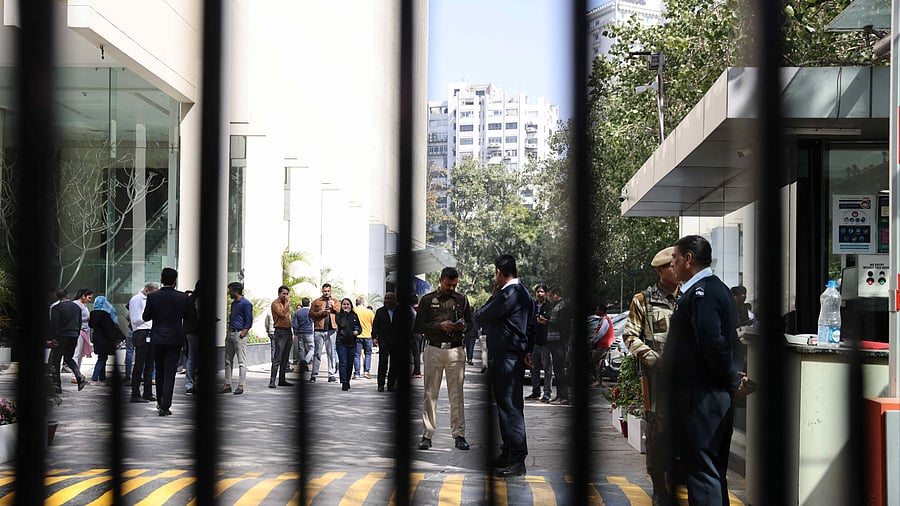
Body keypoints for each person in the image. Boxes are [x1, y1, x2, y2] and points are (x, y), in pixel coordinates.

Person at [668, 235, 752, 505]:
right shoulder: (715, 289)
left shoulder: (702, 292)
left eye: (675, 259)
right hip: (708, 395)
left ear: (688, 259)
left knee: (703, 473)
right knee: (710, 473)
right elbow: (732, 343)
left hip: (702, 398)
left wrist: (731, 378)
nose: (673, 265)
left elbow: (711, 342)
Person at [622, 245, 678, 504]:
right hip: (656, 378)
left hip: (686, 375)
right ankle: (659, 487)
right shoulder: (643, 300)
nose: (676, 269)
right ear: (660, 270)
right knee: (657, 431)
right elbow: (630, 336)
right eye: (671, 265)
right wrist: (655, 359)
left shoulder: (688, 296)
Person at [474, 255, 535, 478]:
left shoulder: (509, 294)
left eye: (495, 274)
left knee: (510, 408)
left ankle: (517, 457)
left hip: (507, 358)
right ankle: (508, 452)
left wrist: (494, 294)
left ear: (499, 271)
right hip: (512, 355)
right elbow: (531, 327)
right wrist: (528, 351)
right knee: (505, 406)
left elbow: (481, 316)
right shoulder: (525, 293)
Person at [414, 266, 472, 451]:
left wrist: (462, 326)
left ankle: (459, 435)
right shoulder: (428, 300)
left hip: (455, 350)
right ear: (441, 281)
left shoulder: (462, 300)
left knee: (457, 395)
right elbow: (418, 326)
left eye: (454, 285)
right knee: (430, 394)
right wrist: (440, 326)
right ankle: (427, 435)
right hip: (434, 349)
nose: (451, 288)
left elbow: (471, 324)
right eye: (448, 285)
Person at [143, 267, 191, 416]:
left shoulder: (153, 297)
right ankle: (165, 406)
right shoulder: (182, 297)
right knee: (170, 372)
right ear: (175, 281)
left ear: (161, 280)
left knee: (159, 370)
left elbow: (146, 317)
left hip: (157, 338)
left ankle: (159, 401)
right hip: (175, 338)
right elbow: (188, 316)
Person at [49, 289, 87, 392]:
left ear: (57, 297)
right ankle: (78, 375)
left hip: (61, 336)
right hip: (74, 335)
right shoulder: (76, 307)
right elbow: (79, 323)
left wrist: (52, 338)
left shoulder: (56, 308)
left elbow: (54, 324)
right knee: (68, 358)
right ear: (67, 295)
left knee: (55, 361)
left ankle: (57, 386)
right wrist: (76, 333)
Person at [220, 281, 252, 395]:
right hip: (230, 333)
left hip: (239, 334)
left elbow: (249, 319)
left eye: (230, 291)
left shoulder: (246, 304)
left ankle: (241, 385)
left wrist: (243, 333)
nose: (229, 293)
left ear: (236, 291)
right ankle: (227, 384)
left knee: (241, 361)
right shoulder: (233, 304)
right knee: (227, 360)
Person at [372, 292, 407, 392]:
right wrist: (374, 337)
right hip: (384, 341)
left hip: (396, 341)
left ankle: (391, 384)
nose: (387, 301)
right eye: (386, 299)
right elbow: (375, 325)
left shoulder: (400, 311)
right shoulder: (380, 312)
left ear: (394, 300)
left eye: (389, 299)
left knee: (394, 364)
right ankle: (381, 384)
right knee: (383, 363)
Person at [129, 282, 158, 403]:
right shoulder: (136, 299)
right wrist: (148, 316)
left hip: (150, 332)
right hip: (141, 332)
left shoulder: (150, 299)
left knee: (150, 364)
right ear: (146, 290)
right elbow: (135, 320)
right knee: (140, 363)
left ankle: (148, 392)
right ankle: (135, 393)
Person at [545, 287, 572, 405]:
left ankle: (564, 396)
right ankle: (559, 395)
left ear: (557, 294)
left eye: (551, 295)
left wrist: (548, 322)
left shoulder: (563, 306)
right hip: (553, 340)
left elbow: (562, 323)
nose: (550, 298)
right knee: (557, 369)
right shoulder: (556, 306)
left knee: (560, 370)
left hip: (560, 341)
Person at [89, 296, 124, 385]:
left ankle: (102, 378)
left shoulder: (92, 313)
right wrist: (117, 338)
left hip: (97, 338)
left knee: (102, 357)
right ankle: (95, 378)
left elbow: (91, 325)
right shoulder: (105, 314)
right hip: (105, 339)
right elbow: (110, 328)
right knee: (102, 359)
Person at [308, 283, 339, 383]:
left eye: (328, 291)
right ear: (322, 291)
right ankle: (314, 375)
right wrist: (322, 313)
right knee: (317, 353)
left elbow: (340, 311)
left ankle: (331, 374)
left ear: (331, 291)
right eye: (325, 291)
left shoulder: (335, 301)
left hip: (331, 330)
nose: (326, 293)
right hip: (319, 330)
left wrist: (333, 307)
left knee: (331, 353)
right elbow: (311, 314)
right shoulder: (316, 301)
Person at [526, 284, 550, 401]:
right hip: (534, 341)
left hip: (546, 342)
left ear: (545, 293)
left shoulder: (550, 306)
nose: (539, 294)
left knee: (547, 369)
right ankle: (536, 391)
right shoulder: (533, 306)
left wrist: (546, 322)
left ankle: (547, 393)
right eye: (538, 292)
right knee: (533, 368)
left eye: (541, 292)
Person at [269, 285, 295, 388]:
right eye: (283, 293)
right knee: (278, 357)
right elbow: (282, 314)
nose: (285, 296)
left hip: (288, 331)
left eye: (287, 294)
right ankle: (272, 380)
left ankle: (282, 379)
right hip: (280, 331)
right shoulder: (276, 303)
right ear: (279, 294)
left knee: (285, 357)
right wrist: (288, 303)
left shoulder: (286, 304)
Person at [334, 298, 362, 391]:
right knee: (343, 363)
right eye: (344, 304)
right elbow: (342, 324)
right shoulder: (339, 315)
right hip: (341, 342)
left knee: (350, 363)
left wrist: (357, 331)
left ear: (351, 305)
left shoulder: (354, 315)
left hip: (352, 343)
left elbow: (359, 327)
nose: (346, 306)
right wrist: (345, 313)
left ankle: (348, 380)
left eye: (348, 304)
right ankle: (344, 382)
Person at [588, 303, 615, 387]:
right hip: (602, 344)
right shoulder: (603, 319)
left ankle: (594, 379)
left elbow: (601, 332)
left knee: (591, 361)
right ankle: (599, 381)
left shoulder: (605, 319)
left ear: (602, 311)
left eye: (598, 309)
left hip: (603, 344)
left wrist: (594, 341)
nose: (596, 311)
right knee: (599, 363)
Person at [183, 281, 201, 394]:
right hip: (197, 330)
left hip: (188, 330)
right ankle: (193, 383)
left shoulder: (189, 299)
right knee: (196, 357)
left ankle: (189, 384)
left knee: (191, 357)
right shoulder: (198, 299)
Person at [72, 288, 94, 377]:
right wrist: (87, 318)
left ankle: (78, 372)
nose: (89, 300)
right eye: (89, 298)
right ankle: (75, 374)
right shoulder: (76, 304)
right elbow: (74, 318)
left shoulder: (84, 305)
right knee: (77, 353)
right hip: (79, 330)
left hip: (85, 330)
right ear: (83, 296)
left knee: (81, 354)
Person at [353, 297, 375, 380]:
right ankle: (366, 372)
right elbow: (374, 323)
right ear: (363, 303)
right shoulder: (369, 312)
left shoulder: (354, 310)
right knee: (368, 354)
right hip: (368, 335)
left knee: (357, 355)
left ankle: (357, 374)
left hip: (357, 336)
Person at [292, 298, 314, 373]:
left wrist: (296, 331)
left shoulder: (298, 312)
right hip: (309, 332)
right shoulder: (311, 312)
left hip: (300, 332)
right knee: (312, 348)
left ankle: (302, 364)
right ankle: (305, 361)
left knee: (301, 349)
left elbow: (294, 323)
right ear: (309, 303)